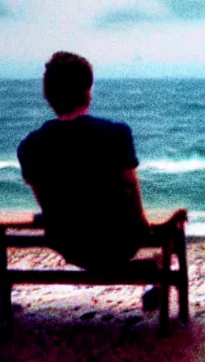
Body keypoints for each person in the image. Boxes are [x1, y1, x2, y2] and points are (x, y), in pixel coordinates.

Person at [18, 51, 186, 275]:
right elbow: (128, 186)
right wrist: (141, 224)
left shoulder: (29, 146)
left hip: (69, 246)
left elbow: (45, 201)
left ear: (47, 96)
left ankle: (151, 266)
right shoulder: (116, 133)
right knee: (174, 225)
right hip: (120, 243)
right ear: (88, 92)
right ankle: (156, 268)